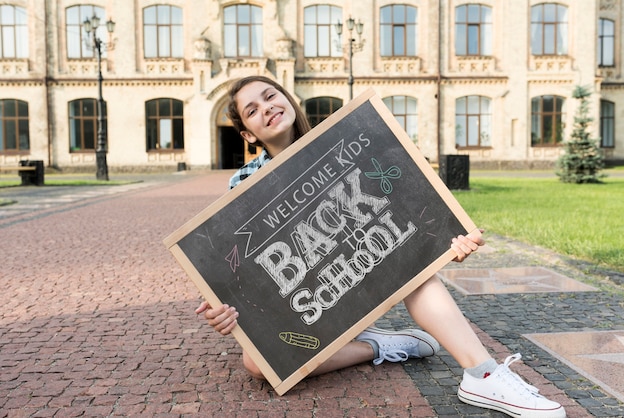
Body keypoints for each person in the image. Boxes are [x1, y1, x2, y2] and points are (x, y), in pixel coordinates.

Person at [196, 75, 565, 418]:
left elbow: (406, 209)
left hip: (366, 275)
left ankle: (482, 375)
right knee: (257, 365)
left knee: (413, 265)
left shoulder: (349, 138)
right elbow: (242, 273)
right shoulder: (242, 184)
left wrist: (446, 239)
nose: (267, 108)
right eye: (253, 110)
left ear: (286, 98)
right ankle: (381, 347)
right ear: (247, 134)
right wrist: (224, 309)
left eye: (269, 95)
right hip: (312, 302)